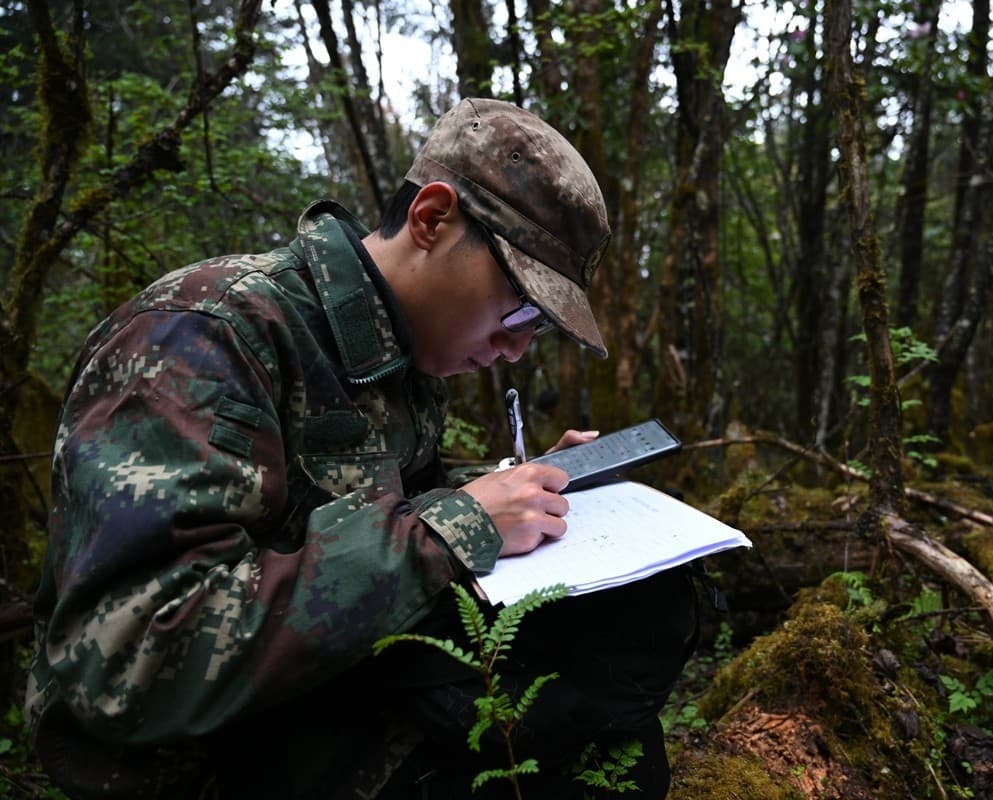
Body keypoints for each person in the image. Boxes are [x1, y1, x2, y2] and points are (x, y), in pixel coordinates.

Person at [24, 98, 697, 799]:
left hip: (320, 696)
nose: (516, 348)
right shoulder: (203, 335)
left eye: (539, 327)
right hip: (196, 762)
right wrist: (453, 527)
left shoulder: (395, 358)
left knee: (629, 664)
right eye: (519, 307)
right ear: (432, 219)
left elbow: (347, 509)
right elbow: (128, 660)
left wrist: (510, 486)